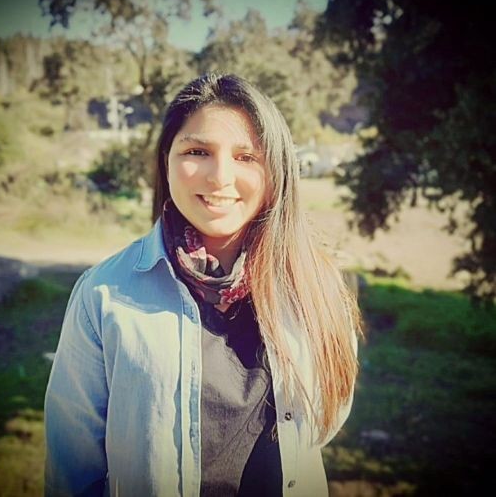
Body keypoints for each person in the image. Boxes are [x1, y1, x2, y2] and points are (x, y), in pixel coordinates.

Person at [44, 72, 362, 497]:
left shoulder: (316, 285)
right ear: (166, 160)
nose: (220, 177)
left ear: (277, 170)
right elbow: (72, 467)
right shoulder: (102, 295)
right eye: (197, 152)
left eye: (246, 156)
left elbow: (327, 416)